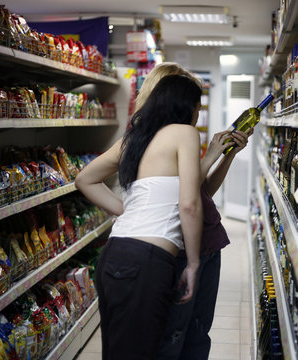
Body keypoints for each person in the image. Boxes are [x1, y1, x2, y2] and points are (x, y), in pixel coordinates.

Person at [75, 74, 204, 359]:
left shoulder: (135, 139)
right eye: (199, 106)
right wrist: (193, 264)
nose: (198, 114)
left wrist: (128, 210)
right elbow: (190, 204)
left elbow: (84, 179)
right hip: (145, 262)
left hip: (114, 254)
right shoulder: (185, 133)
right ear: (188, 106)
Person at [133, 62, 252, 360]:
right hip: (179, 251)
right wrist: (210, 155)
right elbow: (178, 195)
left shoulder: (183, 134)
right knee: (172, 335)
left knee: (199, 333)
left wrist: (227, 156)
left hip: (209, 244)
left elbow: (203, 192)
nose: (195, 110)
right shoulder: (150, 140)